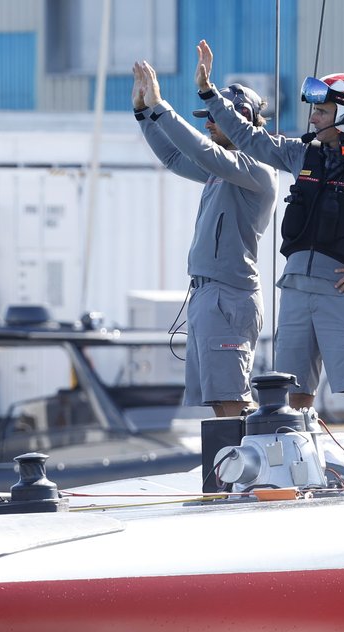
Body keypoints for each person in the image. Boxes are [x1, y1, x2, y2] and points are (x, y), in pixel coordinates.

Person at [196, 41, 344, 480]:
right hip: (295, 293)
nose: (313, 117)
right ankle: (301, 478)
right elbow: (248, 137)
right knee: (293, 398)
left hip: (342, 295)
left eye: (322, 111)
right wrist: (209, 94)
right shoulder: (301, 154)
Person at [131, 60, 277, 418]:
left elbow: (198, 151)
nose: (208, 123)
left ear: (240, 120)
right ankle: (235, 470)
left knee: (231, 399)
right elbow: (172, 156)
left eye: (215, 116)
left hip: (228, 295)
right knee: (219, 399)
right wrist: (143, 113)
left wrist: (160, 107)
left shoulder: (255, 168)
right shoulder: (223, 168)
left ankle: (248, 470)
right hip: (209, 294)